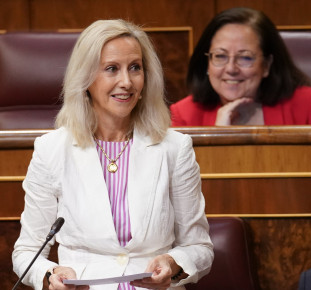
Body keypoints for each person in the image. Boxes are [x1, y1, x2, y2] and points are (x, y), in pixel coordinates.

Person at [11, 19, 214, 290]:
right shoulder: (51, 150)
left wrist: (173, 262)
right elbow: (26, 252)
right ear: (85, 79)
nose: (126, 82)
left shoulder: (175, 148)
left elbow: (199, 247)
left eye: (135, 68)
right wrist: (50, 275)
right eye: (111, 69)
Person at [170, 7, 311, 126]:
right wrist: (218, 136)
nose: (231, 69)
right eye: (220, 56)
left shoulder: (306, 105)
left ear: (266, 65)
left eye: (245, 57)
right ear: (207, 63)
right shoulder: (184, 115)